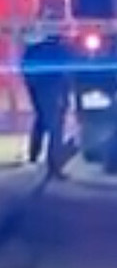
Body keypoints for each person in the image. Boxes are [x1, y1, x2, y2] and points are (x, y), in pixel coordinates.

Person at [20, 27, 72, 177]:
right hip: (52, 88)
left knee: (42, 119)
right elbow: (66, 71)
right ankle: (54, 165)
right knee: (55, 126)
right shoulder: (57, 50)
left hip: (39, 87)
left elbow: (26, 68)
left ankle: (34, 155)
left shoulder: (34, 48)